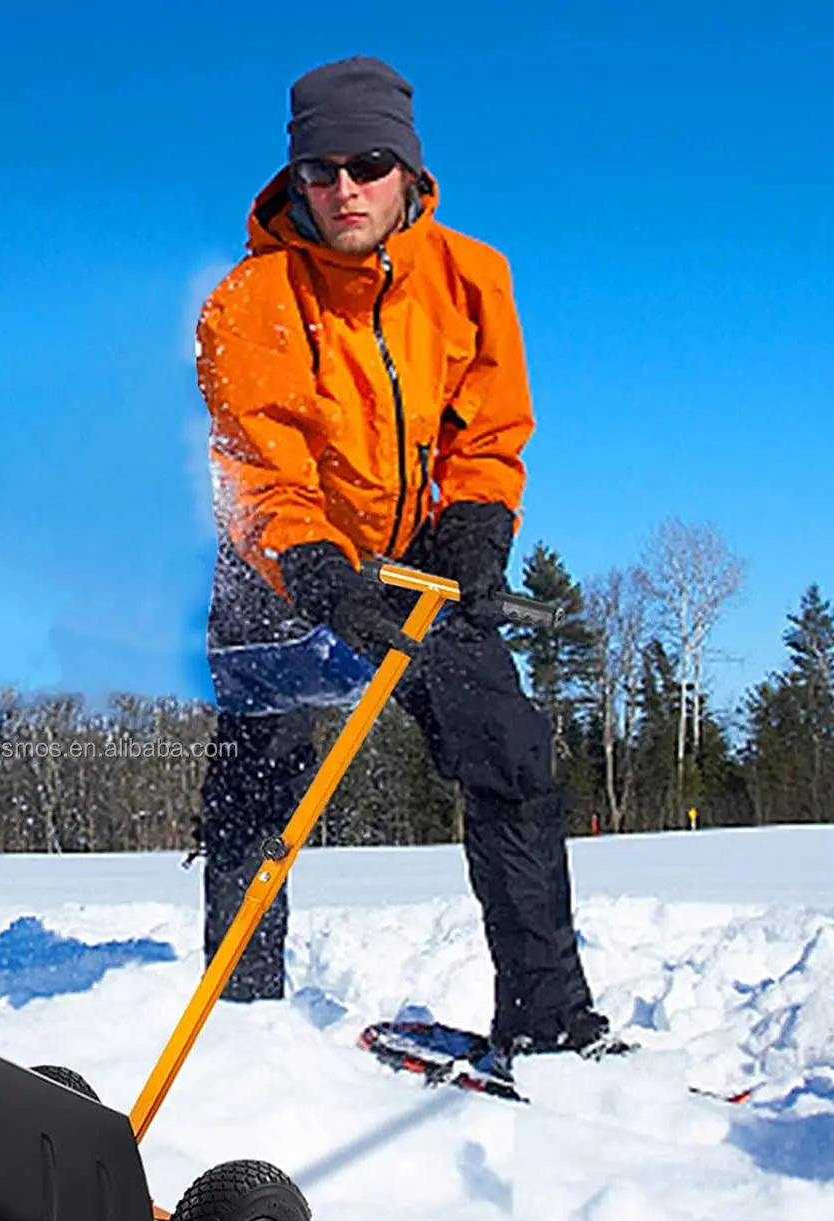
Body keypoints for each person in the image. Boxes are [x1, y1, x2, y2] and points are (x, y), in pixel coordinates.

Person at [195, 56, 610, 1058]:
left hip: (418, 554)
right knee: (264, 776)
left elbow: (489, 429)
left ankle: (547, 1015)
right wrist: (316, 570)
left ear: (410, 174)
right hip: (285, 562)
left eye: (368, 165)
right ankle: (246, 1027)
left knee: (508, 751)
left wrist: (476, 524)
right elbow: (257, 464)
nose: (345, 191)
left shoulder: (474, 278)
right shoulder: (248, 301)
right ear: (294, 179)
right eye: (322, 170)